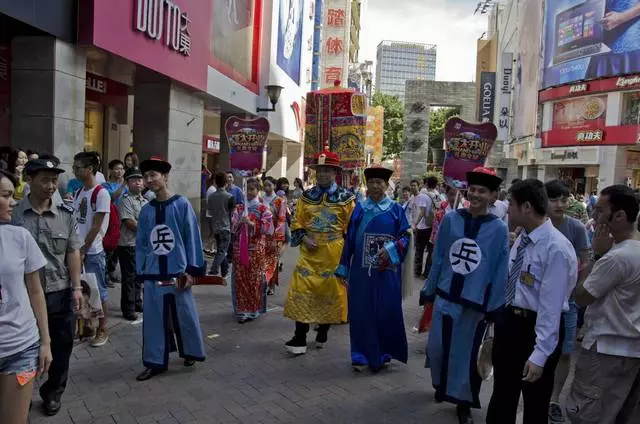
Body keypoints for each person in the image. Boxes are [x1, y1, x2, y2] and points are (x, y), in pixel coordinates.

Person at [421, 167, 509, 424]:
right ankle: (441, 384)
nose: (476, 194)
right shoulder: (451, 220)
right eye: (473, 189)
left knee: (466, 355)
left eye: (483, 191)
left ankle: (463, 402)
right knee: (437, 348)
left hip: (475, 303)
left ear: (494, 196)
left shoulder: (498, 229)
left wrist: (494, 306)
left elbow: (499, 268)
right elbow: (438, 257)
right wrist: (429, 289)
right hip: (446, 295)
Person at [486, 179, 578, 424]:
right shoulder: (523, 238)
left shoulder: (556, 248)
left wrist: (540, 354)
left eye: (511, 204)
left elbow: (551, 306)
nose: (508, 209)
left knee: (535, 402)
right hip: (511, 325)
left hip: (537, 331)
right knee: (503, 394)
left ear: (526, 206)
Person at [12, 159, 83, 416]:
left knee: (61, 347)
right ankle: (21, 394)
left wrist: (76, 287)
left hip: (59, 291)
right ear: (29, 179)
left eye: (55, 180)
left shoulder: (65, 215)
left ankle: (53, 392)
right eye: (45, 180)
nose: (51, 186)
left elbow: (73, 252)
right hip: (22, 295)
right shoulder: (14, 214)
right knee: (25, 347)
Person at [567, 185, 640, 424]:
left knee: (587, 415)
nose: (594, 217)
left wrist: (596, 256)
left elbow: (581, 296)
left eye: (599, 211)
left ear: (619, 216)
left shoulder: (615, 258)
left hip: (605, 350)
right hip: (631, 351)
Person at [135, 156, 206, 381]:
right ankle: (155, 361)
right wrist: (141, 271)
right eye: (146, 176)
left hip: (178, 271)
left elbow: (191, 236)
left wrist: (192, 270)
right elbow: (143, 244)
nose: (149, 179)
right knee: (154, 319)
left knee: (185, 314)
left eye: (153, 175)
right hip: (154, 273)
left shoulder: (181, 204)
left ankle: (191, 351)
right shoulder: (146, 211)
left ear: (165, 176)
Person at [336, 166, 410, 372]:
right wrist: (343, 266)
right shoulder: (359, 208)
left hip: (387, 271)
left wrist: (393, 248)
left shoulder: (396, 210)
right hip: (362, 272)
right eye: (372, 182)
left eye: (380, 183)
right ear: (366, 185)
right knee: (361, 312)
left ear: (387, 186)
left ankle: (384, 353)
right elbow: (349, 240)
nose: (376, 186)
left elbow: (405, 236)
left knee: (386, 311)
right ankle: (360, 354)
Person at [283, 150, 356, 355]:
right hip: (310, 251)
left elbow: (352, 228)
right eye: (320, 170)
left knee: (330, 291)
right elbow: (297, 221)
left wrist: (350, 254)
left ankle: (324, 328)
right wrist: (305, 238)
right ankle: (299, 337)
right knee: (302, 288)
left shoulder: (346, 198)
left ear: (335, 173)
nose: (323, 174)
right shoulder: (306, 197)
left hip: (334, 252)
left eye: (327, 171)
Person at [0, 169, 52, 424]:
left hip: (20, 348)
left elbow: (35, 290)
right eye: (6, 195)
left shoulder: (19, 237)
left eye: (13, 195)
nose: (12, 202)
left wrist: (45, 342)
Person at [544, 180, 592, 424]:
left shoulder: (576, 228)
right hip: (539, 303)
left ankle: (553, 399)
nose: (560, 204)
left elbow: (585, 260)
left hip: (568, 303)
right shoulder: (536, 226)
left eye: (564, 199)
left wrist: (576, 292)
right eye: (554, 199)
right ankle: (537, 394)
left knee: (564, 351)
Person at [72, 152, 111, 347]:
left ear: (89, 169)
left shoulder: (101, 193)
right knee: (83, 289)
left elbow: (96, 226)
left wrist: (84, 249)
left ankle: (103, 328)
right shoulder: (79, 192)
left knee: (99, 291)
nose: (75, 170)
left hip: (93, 251)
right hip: (78, 250)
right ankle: (88, 326)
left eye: (78, 166)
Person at [230, 178, 273, 323]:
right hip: (239, 249)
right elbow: (233, 228)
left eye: (252, 189)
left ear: (257, 191)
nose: (249, 192)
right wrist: (239, 223)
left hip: (256, 250)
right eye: (247, 189)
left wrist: (252, 224)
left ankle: (253, 309)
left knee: (254, 280)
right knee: (240, 279)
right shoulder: (239, 208)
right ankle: (242, 310)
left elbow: (268, 228)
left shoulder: (263, 209)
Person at [117, 167, 147, 321]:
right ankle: (128, 308)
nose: (138, 182)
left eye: (140, 179)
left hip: (141, 245)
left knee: (139, 275)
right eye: (134, 179)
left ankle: (137, 302)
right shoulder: (125, 200)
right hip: (128, 244)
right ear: (127, 182)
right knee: (129, 277)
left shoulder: (146, 201)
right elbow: (129, 222)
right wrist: (147, 231)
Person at [207, 172, 235, 278]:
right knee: (222, 251)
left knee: (221, 250)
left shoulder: (211, 196)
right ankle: (214, 269)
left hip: (215, 226)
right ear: (226, 182)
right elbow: (232, 214)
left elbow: (210, 210)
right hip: (226, 226)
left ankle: (224, 271)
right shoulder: (230, 197)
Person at [262, 176, 287, 295]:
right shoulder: (260, 199)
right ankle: (262, 282)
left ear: (274, 186)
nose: (267, 187)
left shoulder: (279, 201)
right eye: (265, 185)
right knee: (261, 260)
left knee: (273, 261)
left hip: (274, 236)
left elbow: (282, 220)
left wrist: (277, 238)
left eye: (269, 185)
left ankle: (271, 285)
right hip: (261, 235)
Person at [413, 176, 438, 278]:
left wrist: (415, 223)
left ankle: (417, 271)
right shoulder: (438, 195)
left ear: (426, 183)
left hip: (423, 226)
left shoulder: (423, 195)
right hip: (433, 227)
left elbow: (422, 212)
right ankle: (426, 273)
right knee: (431, 251)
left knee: (419, 250)